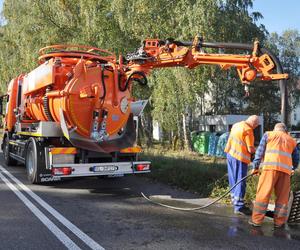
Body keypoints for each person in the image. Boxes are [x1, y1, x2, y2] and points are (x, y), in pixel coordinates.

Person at [248, 123, 299, 228]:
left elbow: (259, 152)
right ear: (285, 131)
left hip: (269, 169)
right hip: (285, 172)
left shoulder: (268, 135)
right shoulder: (292, 141)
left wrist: (255, 167)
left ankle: (256, 221)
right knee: (282, 198)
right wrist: (293, 168)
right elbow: (296, 158)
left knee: (263, 194)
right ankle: (279, 223)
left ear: (275, 129)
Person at [224, 115, 259, 215]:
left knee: (233, 179)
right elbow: (250, 149)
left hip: (230, 155)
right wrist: (257, 151)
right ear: (253, 123)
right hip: (240, 158)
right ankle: (239, 206)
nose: (255, 127)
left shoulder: (236, 125)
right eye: (256, 125)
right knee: (240, 181)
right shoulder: (248, 130)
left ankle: (234, 201)